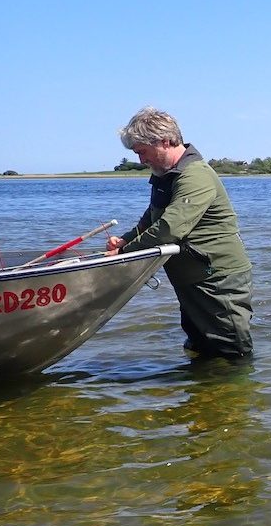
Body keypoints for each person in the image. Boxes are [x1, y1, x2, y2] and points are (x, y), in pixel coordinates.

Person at [106, 107, 254, 358]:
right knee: (199, 348)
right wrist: (124, 240)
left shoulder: (195, 175)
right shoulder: (167, 176)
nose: (141, 161)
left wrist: (124, 254)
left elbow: (169, 228)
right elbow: (152, 218)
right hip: (191, 277)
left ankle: (235, 395)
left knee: (232, 352)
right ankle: (203, 394)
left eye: (142, 152)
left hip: (217, 279)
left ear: (164, 141)